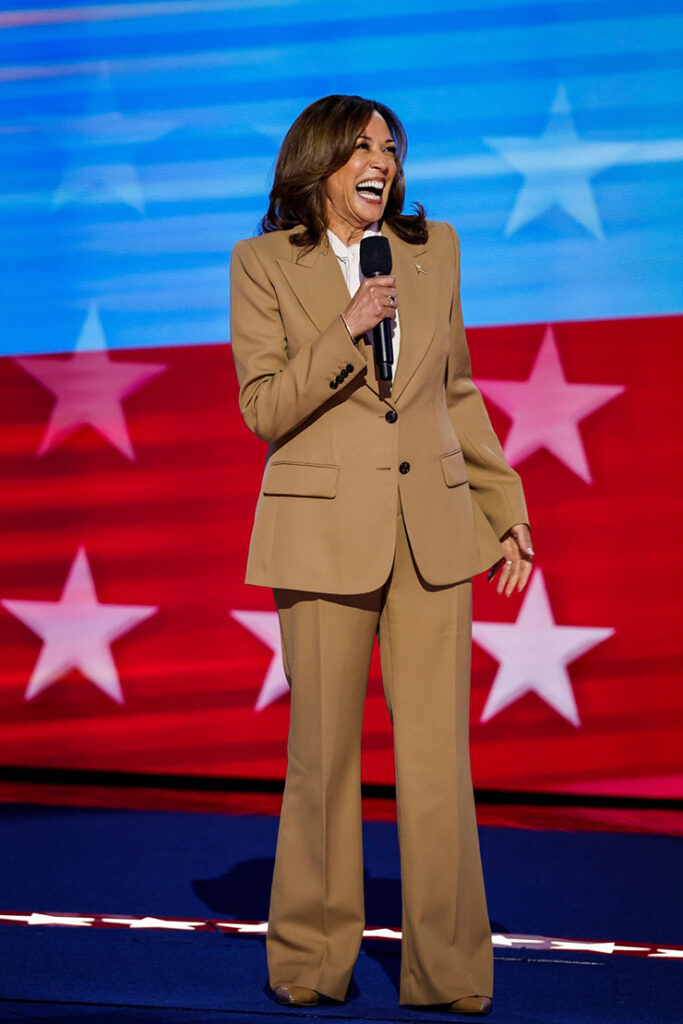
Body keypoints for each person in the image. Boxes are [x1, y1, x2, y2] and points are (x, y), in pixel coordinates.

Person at [229, 94, 533, 1015]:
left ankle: (446, 973)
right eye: (361, 145)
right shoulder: (261, 263)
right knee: (321, 757)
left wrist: (505, 508)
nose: (381, 159)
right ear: (316, 162)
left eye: (390, 146)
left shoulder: (433, 247)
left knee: (439, 760)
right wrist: (347, 325)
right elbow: (263, 408)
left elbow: (459, 390)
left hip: (435, 529)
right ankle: (310, 961)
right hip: (322, 533)